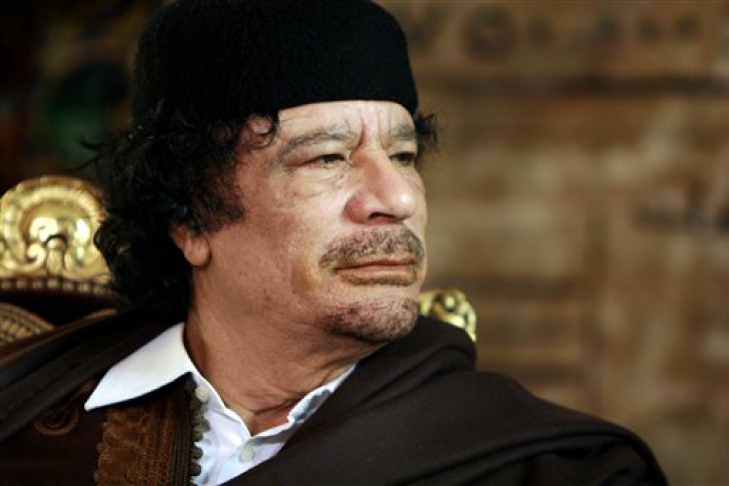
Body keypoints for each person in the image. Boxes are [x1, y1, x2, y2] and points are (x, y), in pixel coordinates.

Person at [0, 1, 665, 484]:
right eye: (327, 158)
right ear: (191, 219)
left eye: (403, 156)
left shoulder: (555, 469)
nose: (397, 199)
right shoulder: (24, 425)